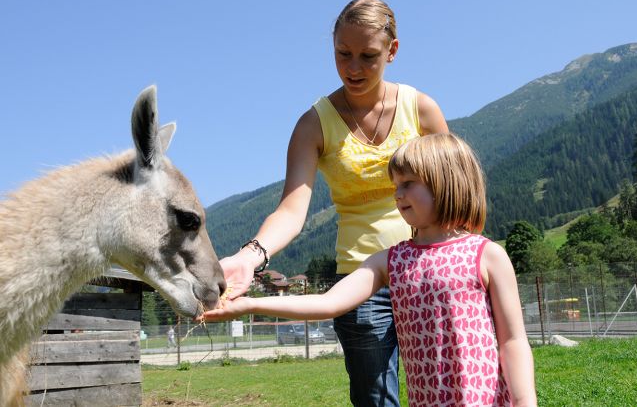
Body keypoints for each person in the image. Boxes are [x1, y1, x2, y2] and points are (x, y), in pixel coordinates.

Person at [216, 0, 448, 406]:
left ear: (392, 51)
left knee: (448, 389)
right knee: (375, 399)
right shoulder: (313, 124)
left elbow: (453, 193)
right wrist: (251, 256)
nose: (353, 68)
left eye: (368, 56)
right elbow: (292, 208)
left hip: (427, 271)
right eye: (343, 54)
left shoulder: (422, 110)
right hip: (359, 282)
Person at [203, 133, 537, 406]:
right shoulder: (389, 262)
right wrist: (249, 304)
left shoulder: (488, 255)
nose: (397, 194)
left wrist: (525, 401)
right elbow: (328, 303)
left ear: (446, 182)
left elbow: (513, 340)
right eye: (396, 185)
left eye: (408, 183)